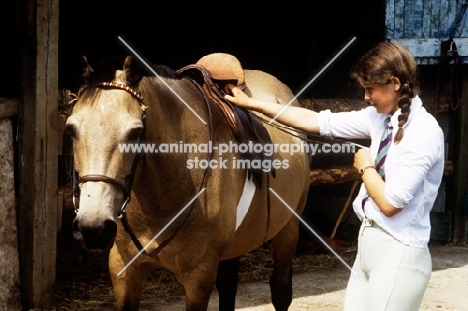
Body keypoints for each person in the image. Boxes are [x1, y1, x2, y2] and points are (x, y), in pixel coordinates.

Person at [225, 41, 445, 310]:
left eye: (370, 88)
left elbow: (391, 203)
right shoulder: (380, 118)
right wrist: (253, 105)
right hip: (367, 247)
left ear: (395, 83)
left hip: (398, 252)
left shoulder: (424, 133)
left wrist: (365, 167)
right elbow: (318, 121)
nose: (366, 96)